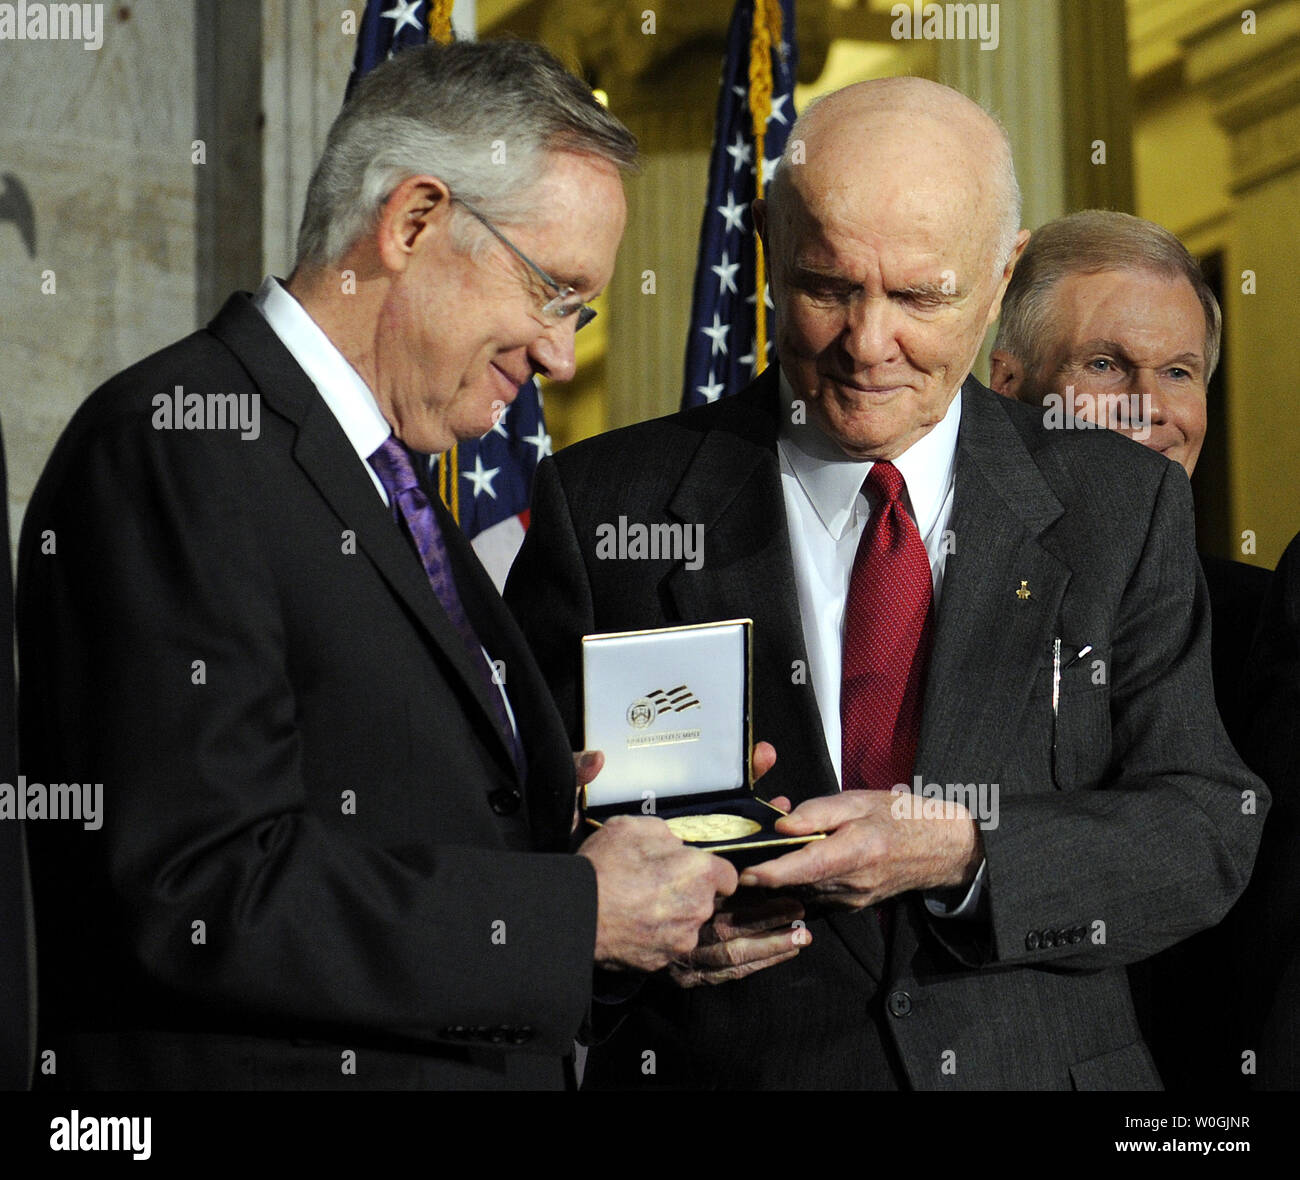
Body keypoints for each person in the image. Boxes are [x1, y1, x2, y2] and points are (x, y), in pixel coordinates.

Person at [504, 77, 1267, 1089]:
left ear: (999, 282)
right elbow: (511, 863)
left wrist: (964, 849)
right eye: (827, 287)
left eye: (919, 296)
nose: (868, 345)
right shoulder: (606, 504)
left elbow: (1206, 829)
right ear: (772, 256)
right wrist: (623, 943)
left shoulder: (1117, 505)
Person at [17, 39, 741, 1091]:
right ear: (412, 222)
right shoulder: (179, 442)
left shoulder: (389, 481)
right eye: (555, 292)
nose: (560, 355)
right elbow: (198, 888)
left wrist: (638, 883)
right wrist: (571, 912)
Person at [988, 209, 1270, 748]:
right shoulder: (932, 583)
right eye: (1103, 365)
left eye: (1178, 372)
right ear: (1006, 384)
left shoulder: (1265, 625)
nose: (1149, 408)